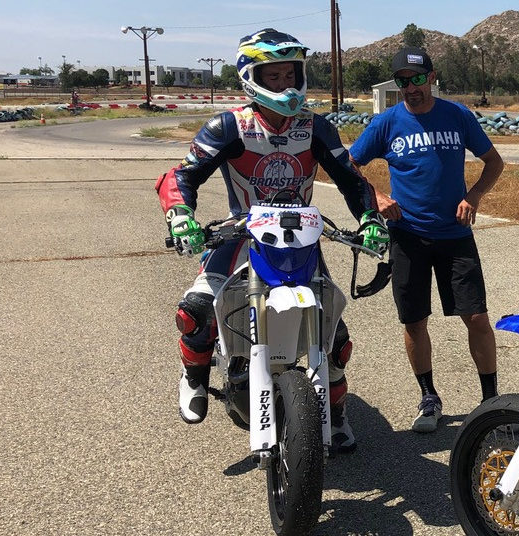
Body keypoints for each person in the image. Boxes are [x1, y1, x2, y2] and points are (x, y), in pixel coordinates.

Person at [156, 28, 388, 453]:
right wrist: (180, 215)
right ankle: (194, 378)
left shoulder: (316, 128)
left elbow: (352, 180)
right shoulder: (228, 125)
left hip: (300, 240)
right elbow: (182, 175)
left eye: (290, 75)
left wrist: (371, 219)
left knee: (335, 333)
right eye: (273, 76)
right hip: (240, 234)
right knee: (195, 312)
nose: (284, 85)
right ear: (251, 78)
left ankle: (335, 414)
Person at [349, 46, 505, 433]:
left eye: (418, 79)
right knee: (415, 321)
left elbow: (494, 162)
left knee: (477, 318)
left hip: (455, 236)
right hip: (408, 238)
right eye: (403, 81)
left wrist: (474, 196)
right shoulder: (386, 123)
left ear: (432, 78)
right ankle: (429, 397)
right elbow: (348, 165)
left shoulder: (456, 116)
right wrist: (378, 197)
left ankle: (491, 402)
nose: (411, 88)